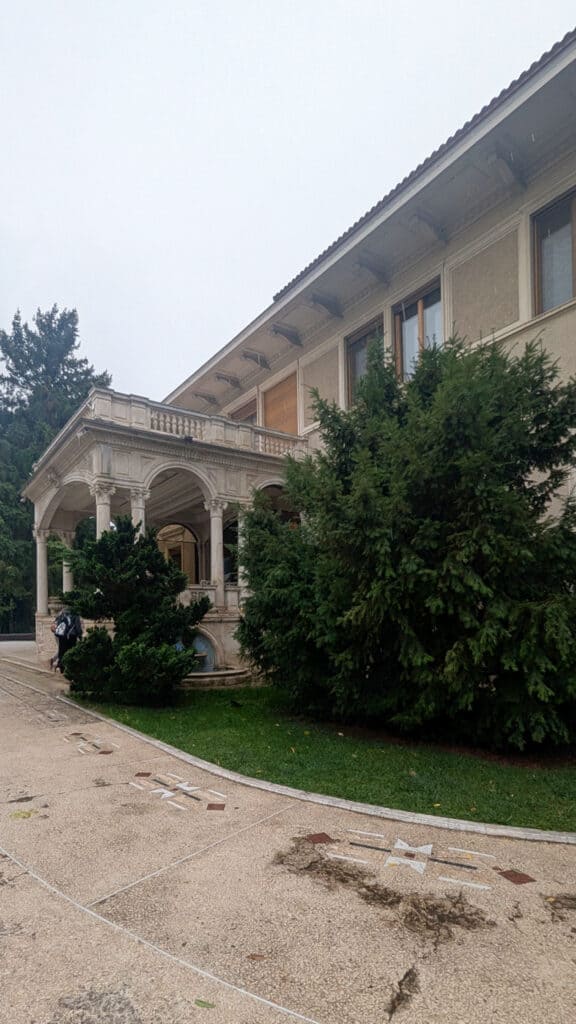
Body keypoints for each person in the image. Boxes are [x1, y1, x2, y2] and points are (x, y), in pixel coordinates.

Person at [50, 608, 83, 672]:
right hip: (72, 636)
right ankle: (70, 668)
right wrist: (80, 636)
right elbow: (78, 627)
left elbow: (57, 624)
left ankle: (60, 666)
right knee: (71, 651)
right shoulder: (75, 615)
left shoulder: (61, 614)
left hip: (62, 636)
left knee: (62, 651)